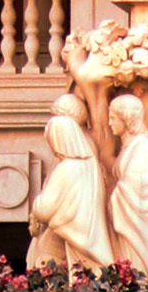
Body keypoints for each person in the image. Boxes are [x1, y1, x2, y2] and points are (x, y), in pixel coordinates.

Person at [28, 92, 114, 275]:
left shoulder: (67, 167)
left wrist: (36, 206)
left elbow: (45, 208)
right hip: (83, 238)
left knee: (49, 265)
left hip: (74, 237)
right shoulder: (85, 162)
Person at [107, 92, 148, 273]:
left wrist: (113, 196)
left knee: (134, 269)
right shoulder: (129, 147)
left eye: (113, 118)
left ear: (127, 118)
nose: (109, 123)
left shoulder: (143, 146)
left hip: (135, 227)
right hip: (123, 224)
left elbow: (137, 186)